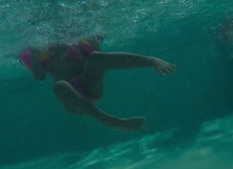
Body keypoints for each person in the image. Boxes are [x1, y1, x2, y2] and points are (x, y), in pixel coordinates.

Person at [18, 35, 176, 131]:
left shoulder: (78, 45)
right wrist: (35, 53)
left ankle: (153, 61)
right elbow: (39, 76)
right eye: (54, 46)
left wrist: (84, 35)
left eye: (62, 44)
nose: (58, 48)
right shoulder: (42, 55)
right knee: (60, 85)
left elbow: (100, 54)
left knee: (96, 57)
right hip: (73, 99)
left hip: (89, 86)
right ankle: (109, 120)